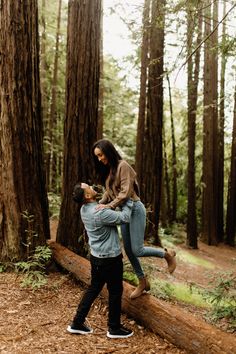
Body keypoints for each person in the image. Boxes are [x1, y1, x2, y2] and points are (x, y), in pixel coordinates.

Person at [93, 139, 176, 299]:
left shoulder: (123, 166)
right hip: (122, 211)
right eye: (97, 156)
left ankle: (167, 255)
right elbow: (108, 192)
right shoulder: (110, 170)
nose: (100, 159)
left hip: (134, 209)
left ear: (108, 151)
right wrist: (100, 204)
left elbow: (125, 192)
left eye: (101, 155)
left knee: (137, 249)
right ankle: (143, 281)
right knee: (129, 251)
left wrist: (109, 206)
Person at [67, 182, 133, 339]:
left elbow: (101, 206)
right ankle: (114, 328)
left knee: (94, 288)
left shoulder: (85, 209)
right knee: (115, 291)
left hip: (96, 258)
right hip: (110, 259)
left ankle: (77, 323)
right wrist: (128, 200)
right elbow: (125, 218)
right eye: (88, 186)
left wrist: (108, 202)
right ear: (88, 196)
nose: (91, 186)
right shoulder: (100, 213)